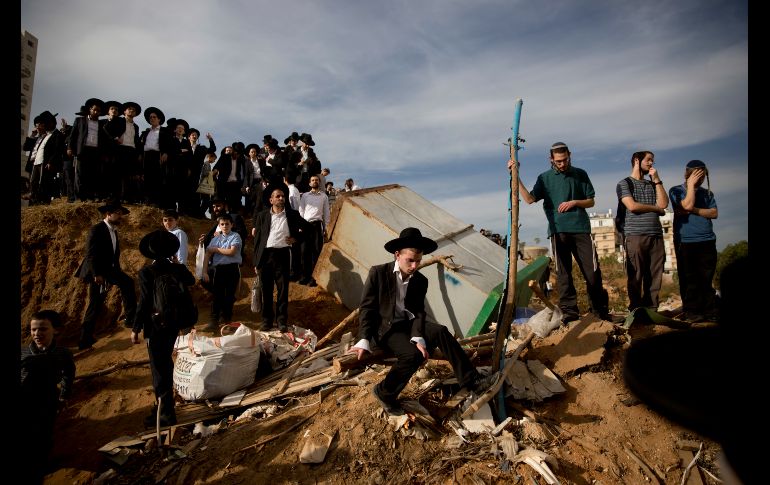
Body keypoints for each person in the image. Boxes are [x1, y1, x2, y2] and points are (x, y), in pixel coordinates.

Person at [347, 227, 499, 415]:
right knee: (413, 355)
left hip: (408, 325)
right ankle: (384, 392)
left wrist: (418, 336)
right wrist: (363, 339)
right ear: (397, 255)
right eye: (410, 260)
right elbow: (367, 308)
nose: (414, 266)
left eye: (418, 261)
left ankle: (472, 380)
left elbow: (418, 312)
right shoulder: (378, 273)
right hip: (385, 329)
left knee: (441, 331)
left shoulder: (420, 280)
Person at [513, 141, 610, 323]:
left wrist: (575, 202)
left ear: (569, 155)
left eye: (565, 160)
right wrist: (515, 176)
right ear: (551, 159)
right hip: (558, 231)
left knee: (593, 272)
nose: (562, 164)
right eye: (558, 161)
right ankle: (570, 312)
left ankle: (600, 311)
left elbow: (591, 201)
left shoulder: (580, 174)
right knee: (564, 274)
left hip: (581, 228)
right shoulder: (544, 178)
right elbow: (529, 199)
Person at [131, 230, 195, 428]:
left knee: (159, 369)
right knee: (165, 363)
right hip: (174, 324)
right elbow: (191, 281)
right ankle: (161, 407)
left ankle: (166, 413)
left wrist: (136, 327)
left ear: (150, 251)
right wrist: (177, 264)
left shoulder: (146, 272)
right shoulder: (177, 269)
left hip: (155, 327)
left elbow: (144, 302)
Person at [20, 310, 76, 482]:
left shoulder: (63, 353)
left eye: (43, 329)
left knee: (44, 434)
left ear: (56, 330)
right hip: (24, 402)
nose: (37, 333)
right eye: (33, 329)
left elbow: (69, 372)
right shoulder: (23, 353)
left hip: (48, 400)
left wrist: (64, 395)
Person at [74, 201, 137, 349]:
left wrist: (118, 270)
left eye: (121, 214)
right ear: (108, 214)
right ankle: (84, 340)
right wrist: (96, 274)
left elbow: (114, 254)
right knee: (95, 304)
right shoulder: (97, 229)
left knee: (127, 282)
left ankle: (130, 319)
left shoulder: (113, 231)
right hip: (98, 272)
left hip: (110, 270)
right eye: (118, 213)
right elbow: (90, 254)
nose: (120, 216)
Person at [252, 184, 309, 331]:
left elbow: (309, 229)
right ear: (271, 200)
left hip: (283, 255)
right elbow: (257, 240)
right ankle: (266, 321)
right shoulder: (262, 216)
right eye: (278, 196)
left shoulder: (292, 214)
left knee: (283, 291)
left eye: (283, 196)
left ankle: (281, 321)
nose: (281, 198)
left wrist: (296, 238)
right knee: (266, 291)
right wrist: (256, 262)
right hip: (265, 256)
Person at [616, 151, 668, 312]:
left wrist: (657, 180)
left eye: (653, 160)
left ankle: (652, 310)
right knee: (636, 275)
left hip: (656, 235)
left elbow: (664, 204)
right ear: (637, 161)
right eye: (648, 160)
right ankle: (636, 310)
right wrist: (655, 209)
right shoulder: (624, 183)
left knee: (654, 275)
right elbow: (632, 206)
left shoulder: (653, 184)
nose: (651, 163)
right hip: (635, 235)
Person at [668, 160, 719, 322]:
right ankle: (691, 311)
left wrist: (693, 210)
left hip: (707, 239)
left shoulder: (707, 193)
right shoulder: (676, 190)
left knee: (706, 278)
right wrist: (690, 186)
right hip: (686, 241)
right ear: (688, 174)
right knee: (689, 278)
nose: (701, 178)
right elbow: (687, 204)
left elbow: (714, 213)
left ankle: (709, 310)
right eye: (697, 175)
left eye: (703, 175)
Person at [201, 214, 242, 330]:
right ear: (219, 225)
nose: (225, 226)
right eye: (222, 224)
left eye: (227, 224)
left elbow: (232, 252)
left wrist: (215, 249)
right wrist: (204, 271)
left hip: (232, 269)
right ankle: (214, 321)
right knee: (217, 295)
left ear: (232, 225)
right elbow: (207, 254)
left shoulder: (235, 236)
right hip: (219, 270)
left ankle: (226, 321)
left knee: (229, 295)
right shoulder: (216, 239)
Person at [23, 110, 64, 205]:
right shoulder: (44, 135)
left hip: (45, 163)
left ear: (52, 123)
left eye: (45, 124)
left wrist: (51, 161)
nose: (44, 126)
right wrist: (33, 135)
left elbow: (57, 150)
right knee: (33, 182)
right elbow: (30, 148)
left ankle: (43, 203)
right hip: (36, 162)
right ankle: (33, 198)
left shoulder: (57, 135)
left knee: (43, 184)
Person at [298, 174, 330, 287]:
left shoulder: (324, 196)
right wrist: (300, 226)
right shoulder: (305, 196)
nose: (315, 181)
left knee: (316, 252)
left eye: (316, 180)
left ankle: (313, 278)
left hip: (317, 225)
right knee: (304, 251)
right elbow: (301, 210)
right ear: (309, 183)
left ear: (319, 182)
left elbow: (326, 213)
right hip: (305, 225)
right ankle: (304, 276)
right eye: (312, 180)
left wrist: (326, 228)